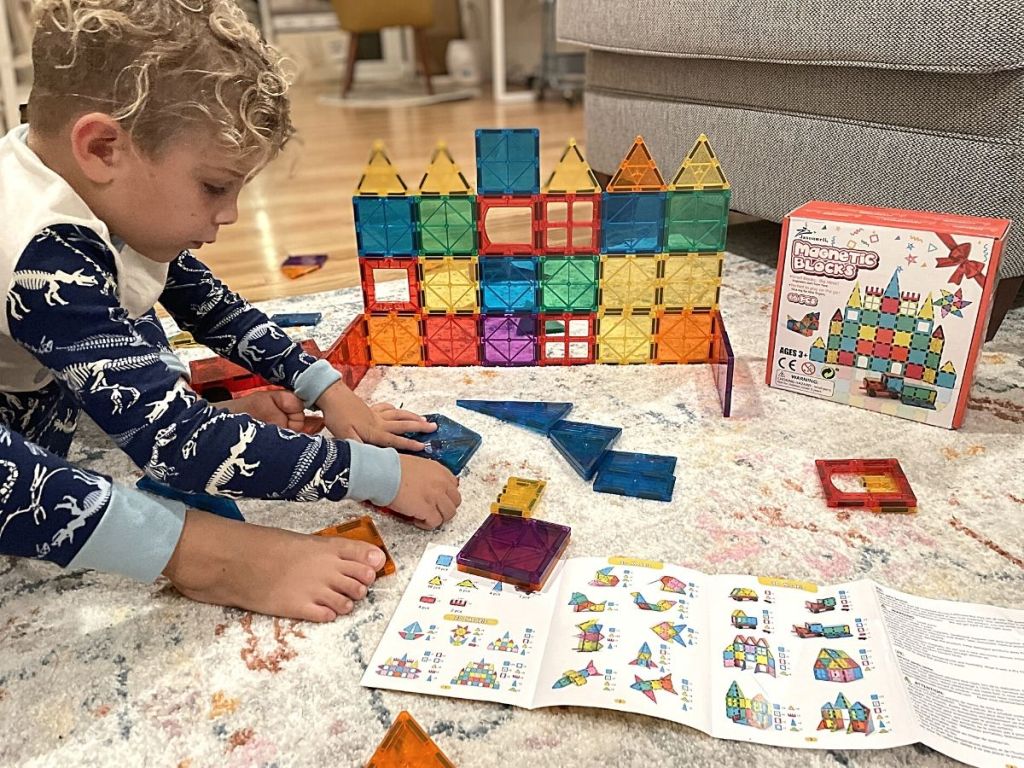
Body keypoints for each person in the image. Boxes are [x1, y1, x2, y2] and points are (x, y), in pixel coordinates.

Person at [0, 0, 461, 621]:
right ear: (104, 147)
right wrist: (378, 474)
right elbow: (177, 449)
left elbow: (210, 305)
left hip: (33, 389)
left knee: (138, 332)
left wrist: (324, 387)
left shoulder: (87, 189)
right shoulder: (40, 249)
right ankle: (206, 555)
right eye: (216, 186)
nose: (231, 214)